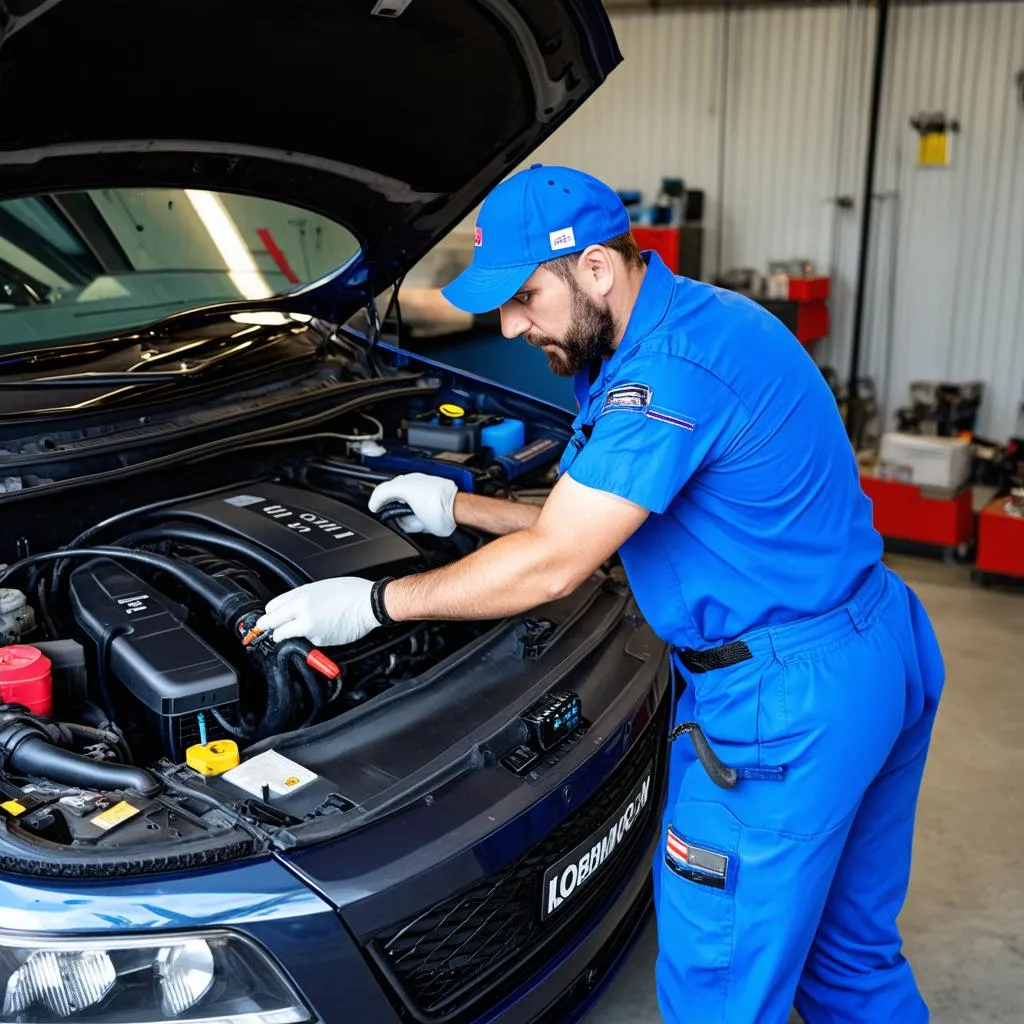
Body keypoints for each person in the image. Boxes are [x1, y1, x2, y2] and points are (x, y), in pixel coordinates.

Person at [255, 164, 944, 1024]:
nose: (510, 326)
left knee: (718, 990)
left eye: (525, 297)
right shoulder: (698, 323)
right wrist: (457, 506)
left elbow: (556, 564)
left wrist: (373, 603)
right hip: (874, 648)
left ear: (596, 270)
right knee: (849, 959)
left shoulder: (667, 374)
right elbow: (600, 515)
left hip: (784, 705)